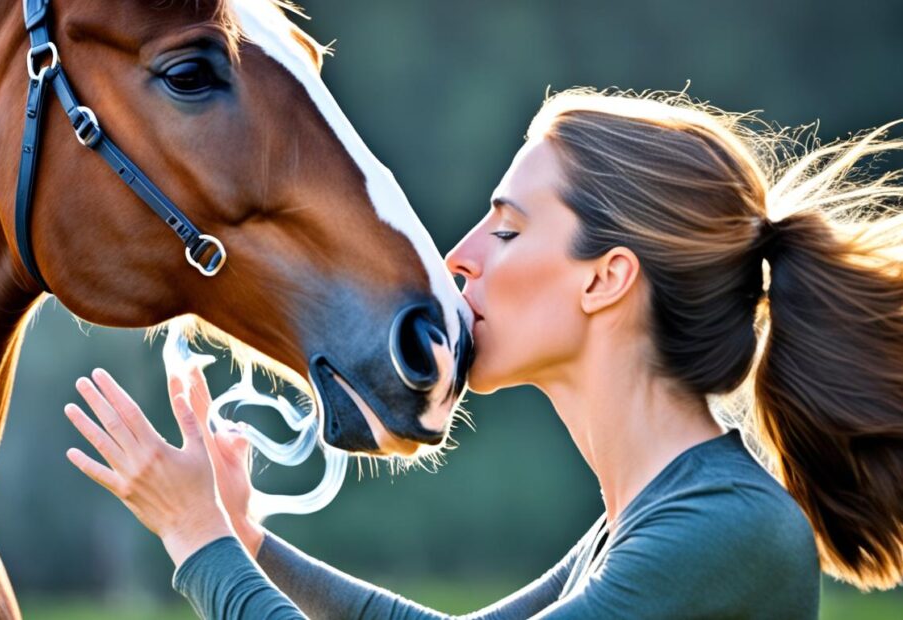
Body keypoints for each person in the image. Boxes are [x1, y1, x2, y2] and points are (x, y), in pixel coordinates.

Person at [64, 88, 903, 619]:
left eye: (506, 229)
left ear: (606, 279)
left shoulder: (725, 531)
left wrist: (199, 541)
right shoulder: (654, 521)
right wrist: (248, 542)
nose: (457, 256)